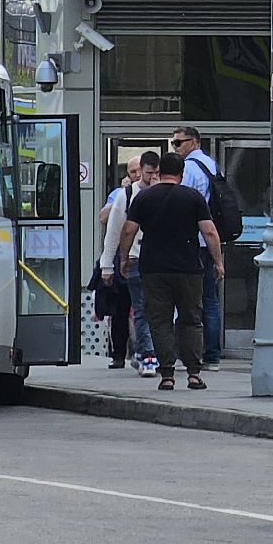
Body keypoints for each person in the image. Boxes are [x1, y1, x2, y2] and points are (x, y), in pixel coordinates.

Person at [122, 152, 224, 391]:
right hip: (188, 268)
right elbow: (209, 232)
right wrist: (218, 261)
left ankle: (166, 375)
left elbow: (128, 230)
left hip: (153, 268)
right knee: (191, 320)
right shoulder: (193, 197)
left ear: (159, 171)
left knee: (160, 321)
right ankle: (194, 374)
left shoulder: (144, 197)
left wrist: (123, 258)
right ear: (182, 173)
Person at [101, 150, 162, 377]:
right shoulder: (126, 195)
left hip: (162, 261)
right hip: (136, 259)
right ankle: (148, 354)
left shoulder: (166, 193)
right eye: (148, 173)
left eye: (156, 173)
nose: (152, 177)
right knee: (142, 308)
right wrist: (107, 265)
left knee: (159, 310)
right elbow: (114, 231)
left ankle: (150, 352)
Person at [171, 126, 224, 371]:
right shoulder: (211, 165)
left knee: (187, 301)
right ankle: (212, 355)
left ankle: (188, 354)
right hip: (208, 243)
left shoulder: (190, 169)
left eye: (178, 143)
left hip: (192, 243)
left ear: (193, 142)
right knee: (210, 300)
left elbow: (180, 202)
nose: (175, 147)